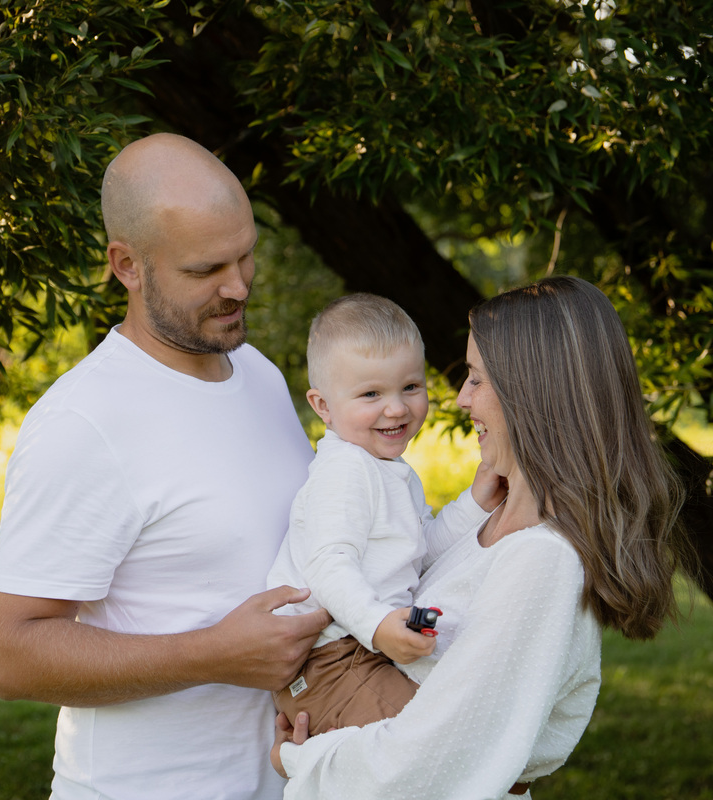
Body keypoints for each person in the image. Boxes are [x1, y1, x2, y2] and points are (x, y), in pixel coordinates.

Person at [0, 133, 331, 800]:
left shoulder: (255, 372)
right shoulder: (83, 422)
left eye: (246, 255)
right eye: (205, 270)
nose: (238, 287)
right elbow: (10, 657)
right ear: (127, 265)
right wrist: (213, 655)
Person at [272, 276, 690, 799]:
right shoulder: (474, 513)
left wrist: (299, 758)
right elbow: (401, 559)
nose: (461, 398)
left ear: (532, 393)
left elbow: (425, 768)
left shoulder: (544, 560)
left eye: (475, 378)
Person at [267, 293, 505, 735]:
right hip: (328, 660)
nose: (396, 408)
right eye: (371, 393)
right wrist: (377, 625)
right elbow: (327, 565)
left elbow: (420, 550)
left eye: (410, 387)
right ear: (323, 406)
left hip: (360, 648)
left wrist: (474, 503)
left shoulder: (390, 471)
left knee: (449, 726)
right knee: (426, 740)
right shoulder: (345, 470)